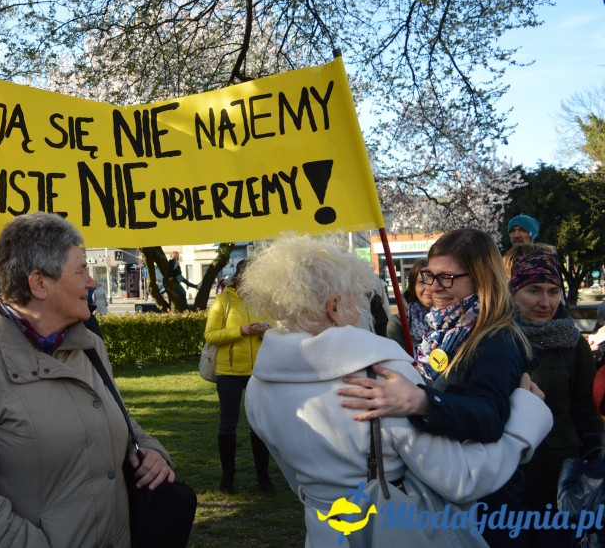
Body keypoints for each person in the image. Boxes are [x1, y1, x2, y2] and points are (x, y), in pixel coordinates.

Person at [240, 233, 553, 547]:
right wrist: (525, 418)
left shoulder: (257, 386)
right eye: (357, 299)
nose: (361, 310)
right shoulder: (379, 371)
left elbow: (297, 479)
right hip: (392, 530)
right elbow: (461, 480)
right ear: (335, 307)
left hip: (323, 532)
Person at [0, 212, 177, 547]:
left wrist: (149, 449)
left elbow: (117, 418)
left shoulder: (89, 347)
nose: (92, 282)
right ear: (39, 283)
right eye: (82, 270)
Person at [336, 228, 535, 547]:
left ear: (481, 278)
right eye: (430, 275)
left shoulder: (497, 338)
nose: (433, 287)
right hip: (443, 491)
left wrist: (422, 402)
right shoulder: (442, 328)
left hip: (485, 501)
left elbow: (490, 415)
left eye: (447, 278)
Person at [507, 249, 602, 547]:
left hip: (562, 479)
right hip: (507, 475)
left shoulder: (573, 343)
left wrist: (595, 465)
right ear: (513, 292)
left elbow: (584, 409)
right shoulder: (496, 340)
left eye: (552, 291)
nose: (545, 302)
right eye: (534, 290)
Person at [203, 258, 275, 494]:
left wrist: (266, 331)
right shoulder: (224, 300)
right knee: (228, 423)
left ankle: (263, 479)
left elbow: (276, 334)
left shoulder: (264, 301)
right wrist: (240, 331)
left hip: (258, 373)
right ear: (240, 278)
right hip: (229, 372)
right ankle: (227, 479)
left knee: (259, 426)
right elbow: (211, 335)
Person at [385, 258, 433, 353]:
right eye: (422, 282)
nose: (428, 288)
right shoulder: (398, 322)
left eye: (431, 281)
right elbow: (398, 362)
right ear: (413, 286)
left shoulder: (453, 316)